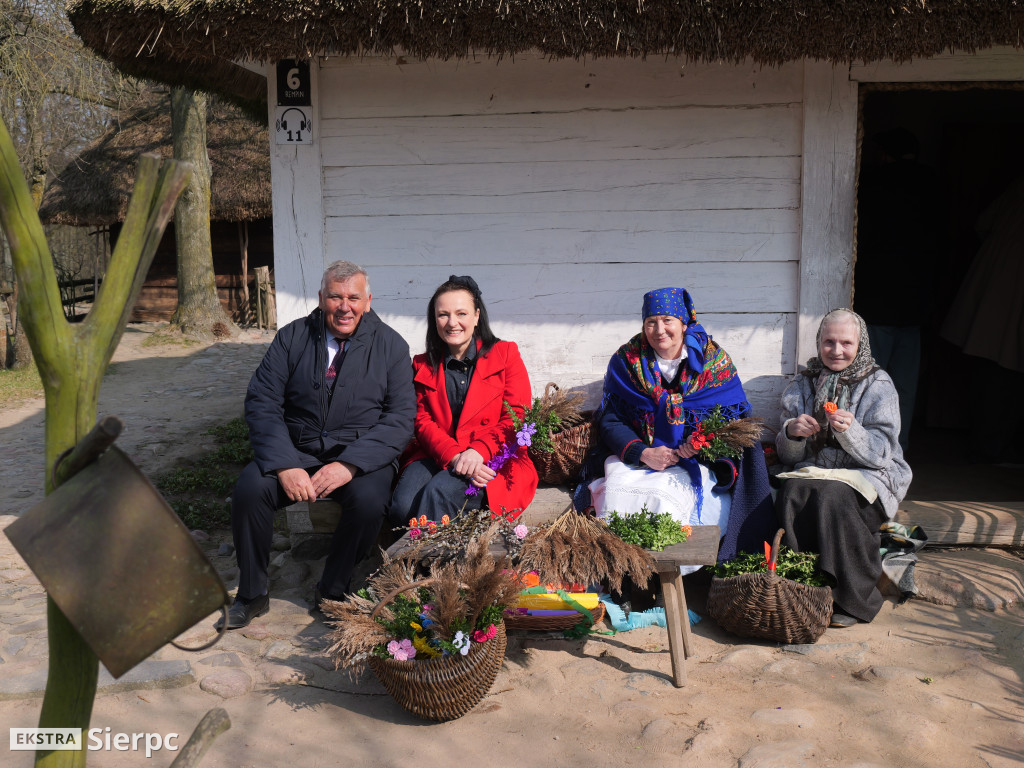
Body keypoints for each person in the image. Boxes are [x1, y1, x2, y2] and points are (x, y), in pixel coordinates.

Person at [222, 260, 415, 628]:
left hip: (359, 456)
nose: (345, 307)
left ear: (368, 301)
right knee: (250, 489)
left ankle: (333, 589)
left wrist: (350, 464)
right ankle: (252, 593)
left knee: (371, 501)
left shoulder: (391, 346)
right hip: (296, 451)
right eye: (335, 297)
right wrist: (283, 464)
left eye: (353, 298)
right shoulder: (293, 337)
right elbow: (262, 400)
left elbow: (400, 419)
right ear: (321, 298)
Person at [580, 287, 775, 572]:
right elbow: (610, 420)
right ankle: (624, 572)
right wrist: (643, 452)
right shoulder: (626, 362)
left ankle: (666, 576)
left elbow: (732, 421)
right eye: (651, 322)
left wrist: (697, 445)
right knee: (621, 492)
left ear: (684, 323)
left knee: (668, 498)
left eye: (667, 320)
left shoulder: (714, 362)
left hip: (697, 461)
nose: (659, 330)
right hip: (637, 459)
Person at [774, 308, 912, 628]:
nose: (836, 351)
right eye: (829, 342)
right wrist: (792, 432)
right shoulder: (804, 382)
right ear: (819, 343)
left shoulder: (878, 383)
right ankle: (804, 589)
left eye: (846, 343)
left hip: (871, 474)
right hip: (815, 470)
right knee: (794, 490)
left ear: (860, 344)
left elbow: (882, 453)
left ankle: (852, 599)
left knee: (833, 496)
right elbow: (789, 457)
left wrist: (853, 432)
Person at [389, 275, 538, 526]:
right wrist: (455, 455)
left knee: (438, 495)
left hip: (494, 457)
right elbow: (421, 420)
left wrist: (479, 451)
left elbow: (517, 415)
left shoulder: (505, 354)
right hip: (439, 453)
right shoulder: (422, 364)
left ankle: (426, 566)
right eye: (443, 315)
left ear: (477, 316)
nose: (452, 323)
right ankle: (412, 562)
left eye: (461, 313)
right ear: (434, 319)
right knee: (402, 507)